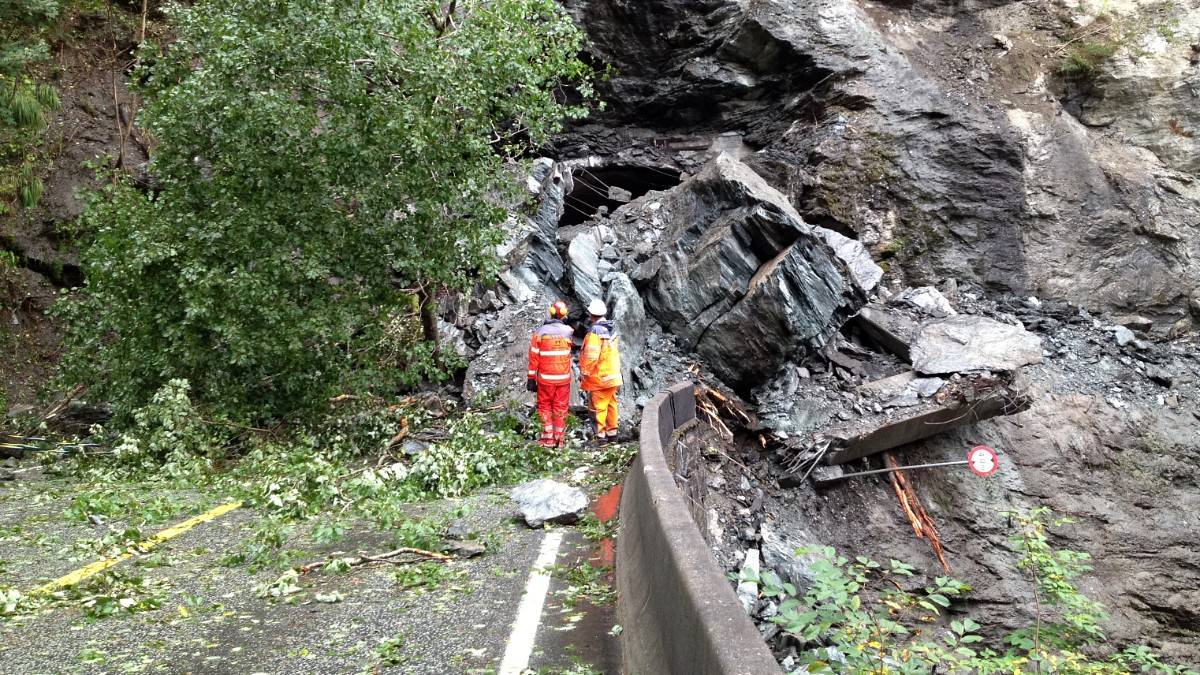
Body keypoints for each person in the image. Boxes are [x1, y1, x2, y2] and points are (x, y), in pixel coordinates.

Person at [527, 300, 574, 447]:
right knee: (560, 407)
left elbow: (534, 356)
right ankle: (560, 440)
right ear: (564, 314)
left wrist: (531, 378)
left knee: (545, 406)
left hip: (545, 379)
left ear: (551, 312)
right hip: (563, 380)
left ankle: (548, 439)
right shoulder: (569, 332)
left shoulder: (540, 333)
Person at [579, 298, 623, 443]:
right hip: (613, 377)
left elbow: (591, 356)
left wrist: (584, 373)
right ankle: (613, 435)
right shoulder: (612, 330)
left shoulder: (595, 332)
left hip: (600, 378)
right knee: (611, 405)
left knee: (598, 408)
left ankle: (601, 439)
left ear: (591, 314)